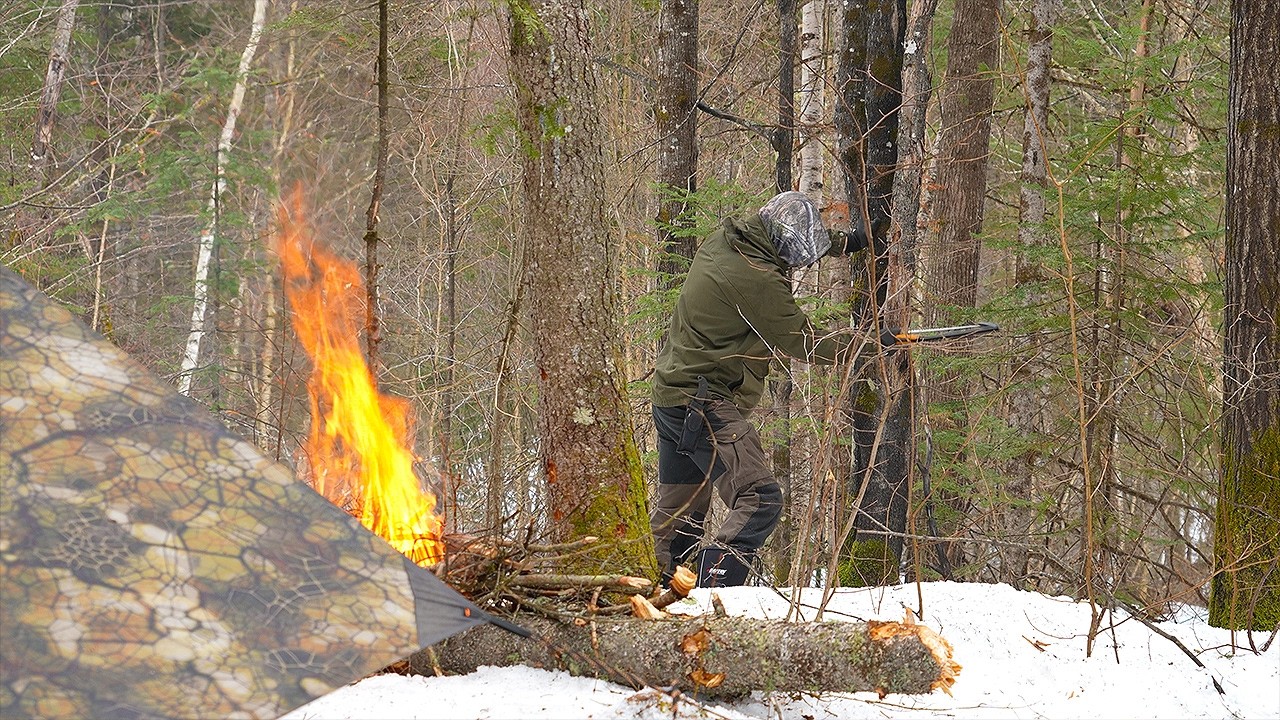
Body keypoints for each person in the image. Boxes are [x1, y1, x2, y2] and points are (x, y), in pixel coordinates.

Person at [650, 191, 876, 588]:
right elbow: (805, 342)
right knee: (761, 498)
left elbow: (788, 238)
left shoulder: (728, 240)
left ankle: (645, 587)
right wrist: (873, 345)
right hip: (702, 403)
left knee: (679, 519)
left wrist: (846, 243)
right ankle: (715, 593)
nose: (797, 264)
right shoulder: (756, 279)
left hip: (672, 400)